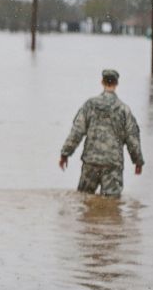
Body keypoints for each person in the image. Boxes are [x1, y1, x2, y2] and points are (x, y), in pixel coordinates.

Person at [59, 69, 144, 197]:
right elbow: (132, 138)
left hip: (91, 162)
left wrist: (65, 153)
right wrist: (138, 161)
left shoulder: (90, 105)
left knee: (84, 200)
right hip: (112, 164)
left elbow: (77, 131)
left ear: (102, 82)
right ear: (116, 83)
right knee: (112, 206)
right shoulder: (123, 110)